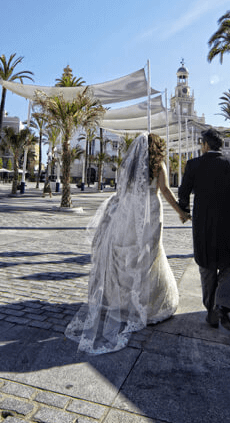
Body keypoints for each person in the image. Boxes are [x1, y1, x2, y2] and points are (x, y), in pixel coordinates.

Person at [66, 133, 189, 354]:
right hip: (149, 213)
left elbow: (120, 191)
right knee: (149, 256)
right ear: (156, 148)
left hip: (127, 213)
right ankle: (148, 305)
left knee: (126, 256)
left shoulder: (129, 167)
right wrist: (181, 212)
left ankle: (124, 303)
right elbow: (165, 191)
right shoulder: (157, 166)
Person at [178, 128, 230, 332]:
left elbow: (183, 193)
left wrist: (183, 211)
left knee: (207, 267)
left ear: (205, 145)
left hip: (204, 225)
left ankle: (211, 311)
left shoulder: (193, 165)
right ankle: (224, 305)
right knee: (229, 265)